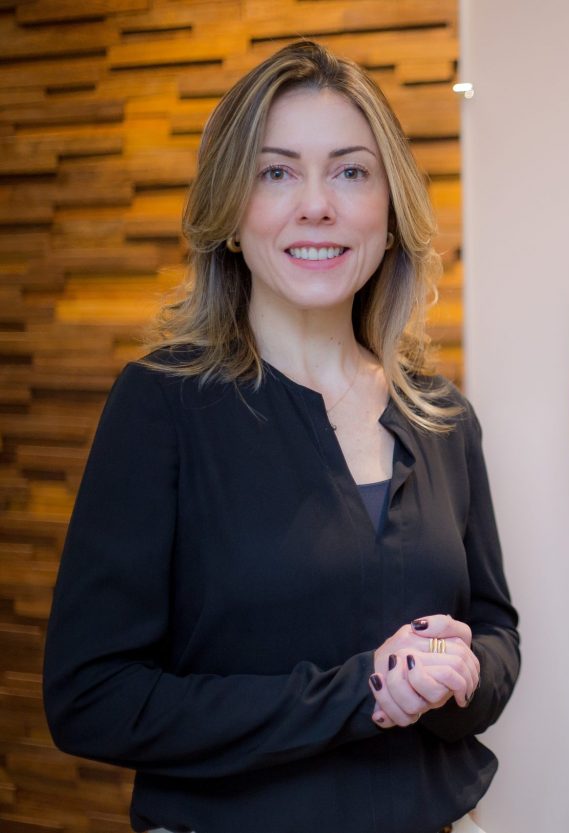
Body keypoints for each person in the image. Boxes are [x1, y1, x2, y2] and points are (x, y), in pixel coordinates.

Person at [42, 40, 519, 833]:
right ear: (231, 216)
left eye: (351, 171)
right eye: (276, 172)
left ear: (390, 212)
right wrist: (363, 692)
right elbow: (92, 698)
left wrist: (463, 670)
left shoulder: (442, 416)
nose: (317, 205)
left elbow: (498, 631)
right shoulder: (163, 407)